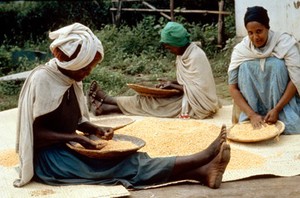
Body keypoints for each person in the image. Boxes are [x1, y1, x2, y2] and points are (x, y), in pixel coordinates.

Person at [14, 22, 231, 189]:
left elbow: (74, 120)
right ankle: (201, 157)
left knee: (130, 159)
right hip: (52, 161)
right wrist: (76, 138)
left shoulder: (70, 79)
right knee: (123, 167)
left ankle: (202, 173)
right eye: (85, 69)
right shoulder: (44, 80)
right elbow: (37, 134)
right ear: (72, 63)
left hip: (70, 146)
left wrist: (93, 129)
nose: (88, 74)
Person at [88, 21, 221, 119]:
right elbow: (189, 81)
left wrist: (173, 85)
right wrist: (171, 82)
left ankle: (106, 99)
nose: (169, 50)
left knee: (148, 103)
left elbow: (201, 91)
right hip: (189, 96)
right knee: (146, 100)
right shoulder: (184, 54)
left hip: (197, 105)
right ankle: (104, 109)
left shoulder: (196, 56)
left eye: (169, 47)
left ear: (177, 43)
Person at [228, 6, 300, 134]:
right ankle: (256, 116)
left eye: (259, 31)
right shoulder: (241, 50)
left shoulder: (284, 43)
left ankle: (278, 114)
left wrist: (277, 109)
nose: (255, 37)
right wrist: (251, 115)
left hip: (282, 107)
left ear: (267, 27)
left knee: (277, 65)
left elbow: (296, 80)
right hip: (251, 111)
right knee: (245, 67)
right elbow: (232, 87)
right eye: (250, 33)